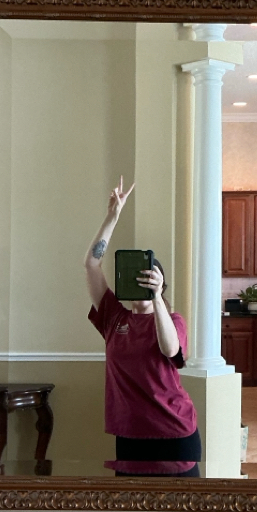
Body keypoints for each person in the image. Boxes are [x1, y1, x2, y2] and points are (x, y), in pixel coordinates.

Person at [84, 177, 201, 477]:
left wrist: (157, 298)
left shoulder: (174, 321)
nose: (141, 282)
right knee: (131, 506)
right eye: (134, 277)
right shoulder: (114, 318)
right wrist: (113, 216)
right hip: (130, 433)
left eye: (148, 278)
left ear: (160, 284)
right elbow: (91, 265)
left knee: (184, 507)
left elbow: (170, 349)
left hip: (174, 432)